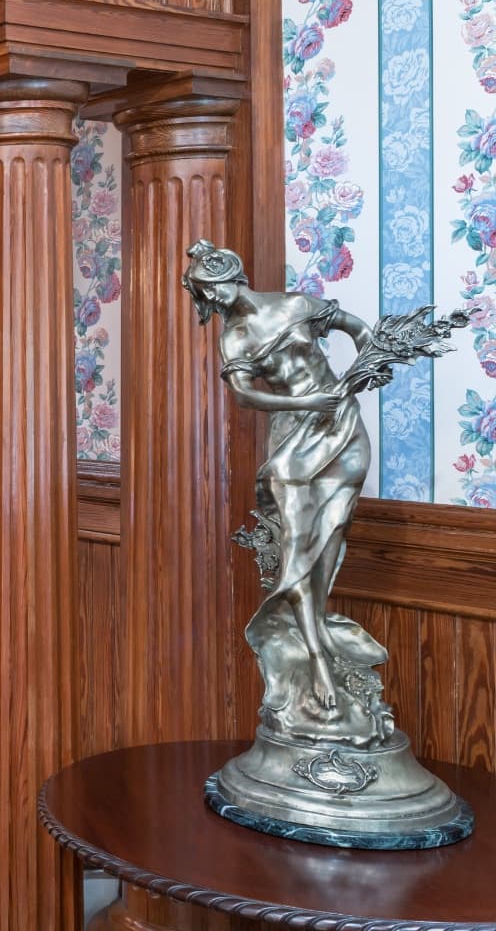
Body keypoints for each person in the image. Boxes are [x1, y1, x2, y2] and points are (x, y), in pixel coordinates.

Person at [182, 240, 379, 730]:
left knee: (331, 535)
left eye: (217, 289)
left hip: (341, 426)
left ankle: (323, 650)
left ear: (235, 277)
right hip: (294, 438)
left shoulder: (294, 305)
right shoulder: (235, 339)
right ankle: (317, 664)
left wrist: (365, 369)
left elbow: (358, 329)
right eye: (208, 295)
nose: (218, 302)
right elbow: (246, 396)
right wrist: (306, 404)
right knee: (298, 550)